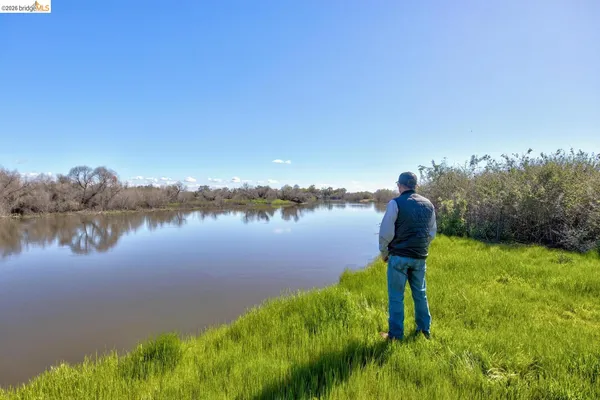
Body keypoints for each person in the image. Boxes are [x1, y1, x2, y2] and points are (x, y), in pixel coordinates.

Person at [378, 171, 437, 341]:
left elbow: (385, 233)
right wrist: (420, 247)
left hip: (399, 258)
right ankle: (424, 331)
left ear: (399, 185)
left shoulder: (395, 203)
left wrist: (384, 252)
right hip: (420, 256)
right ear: (415, 185)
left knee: (396, 296)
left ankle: (395, 335)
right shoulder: (428, 204)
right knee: (420, 293)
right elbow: (431, 233)